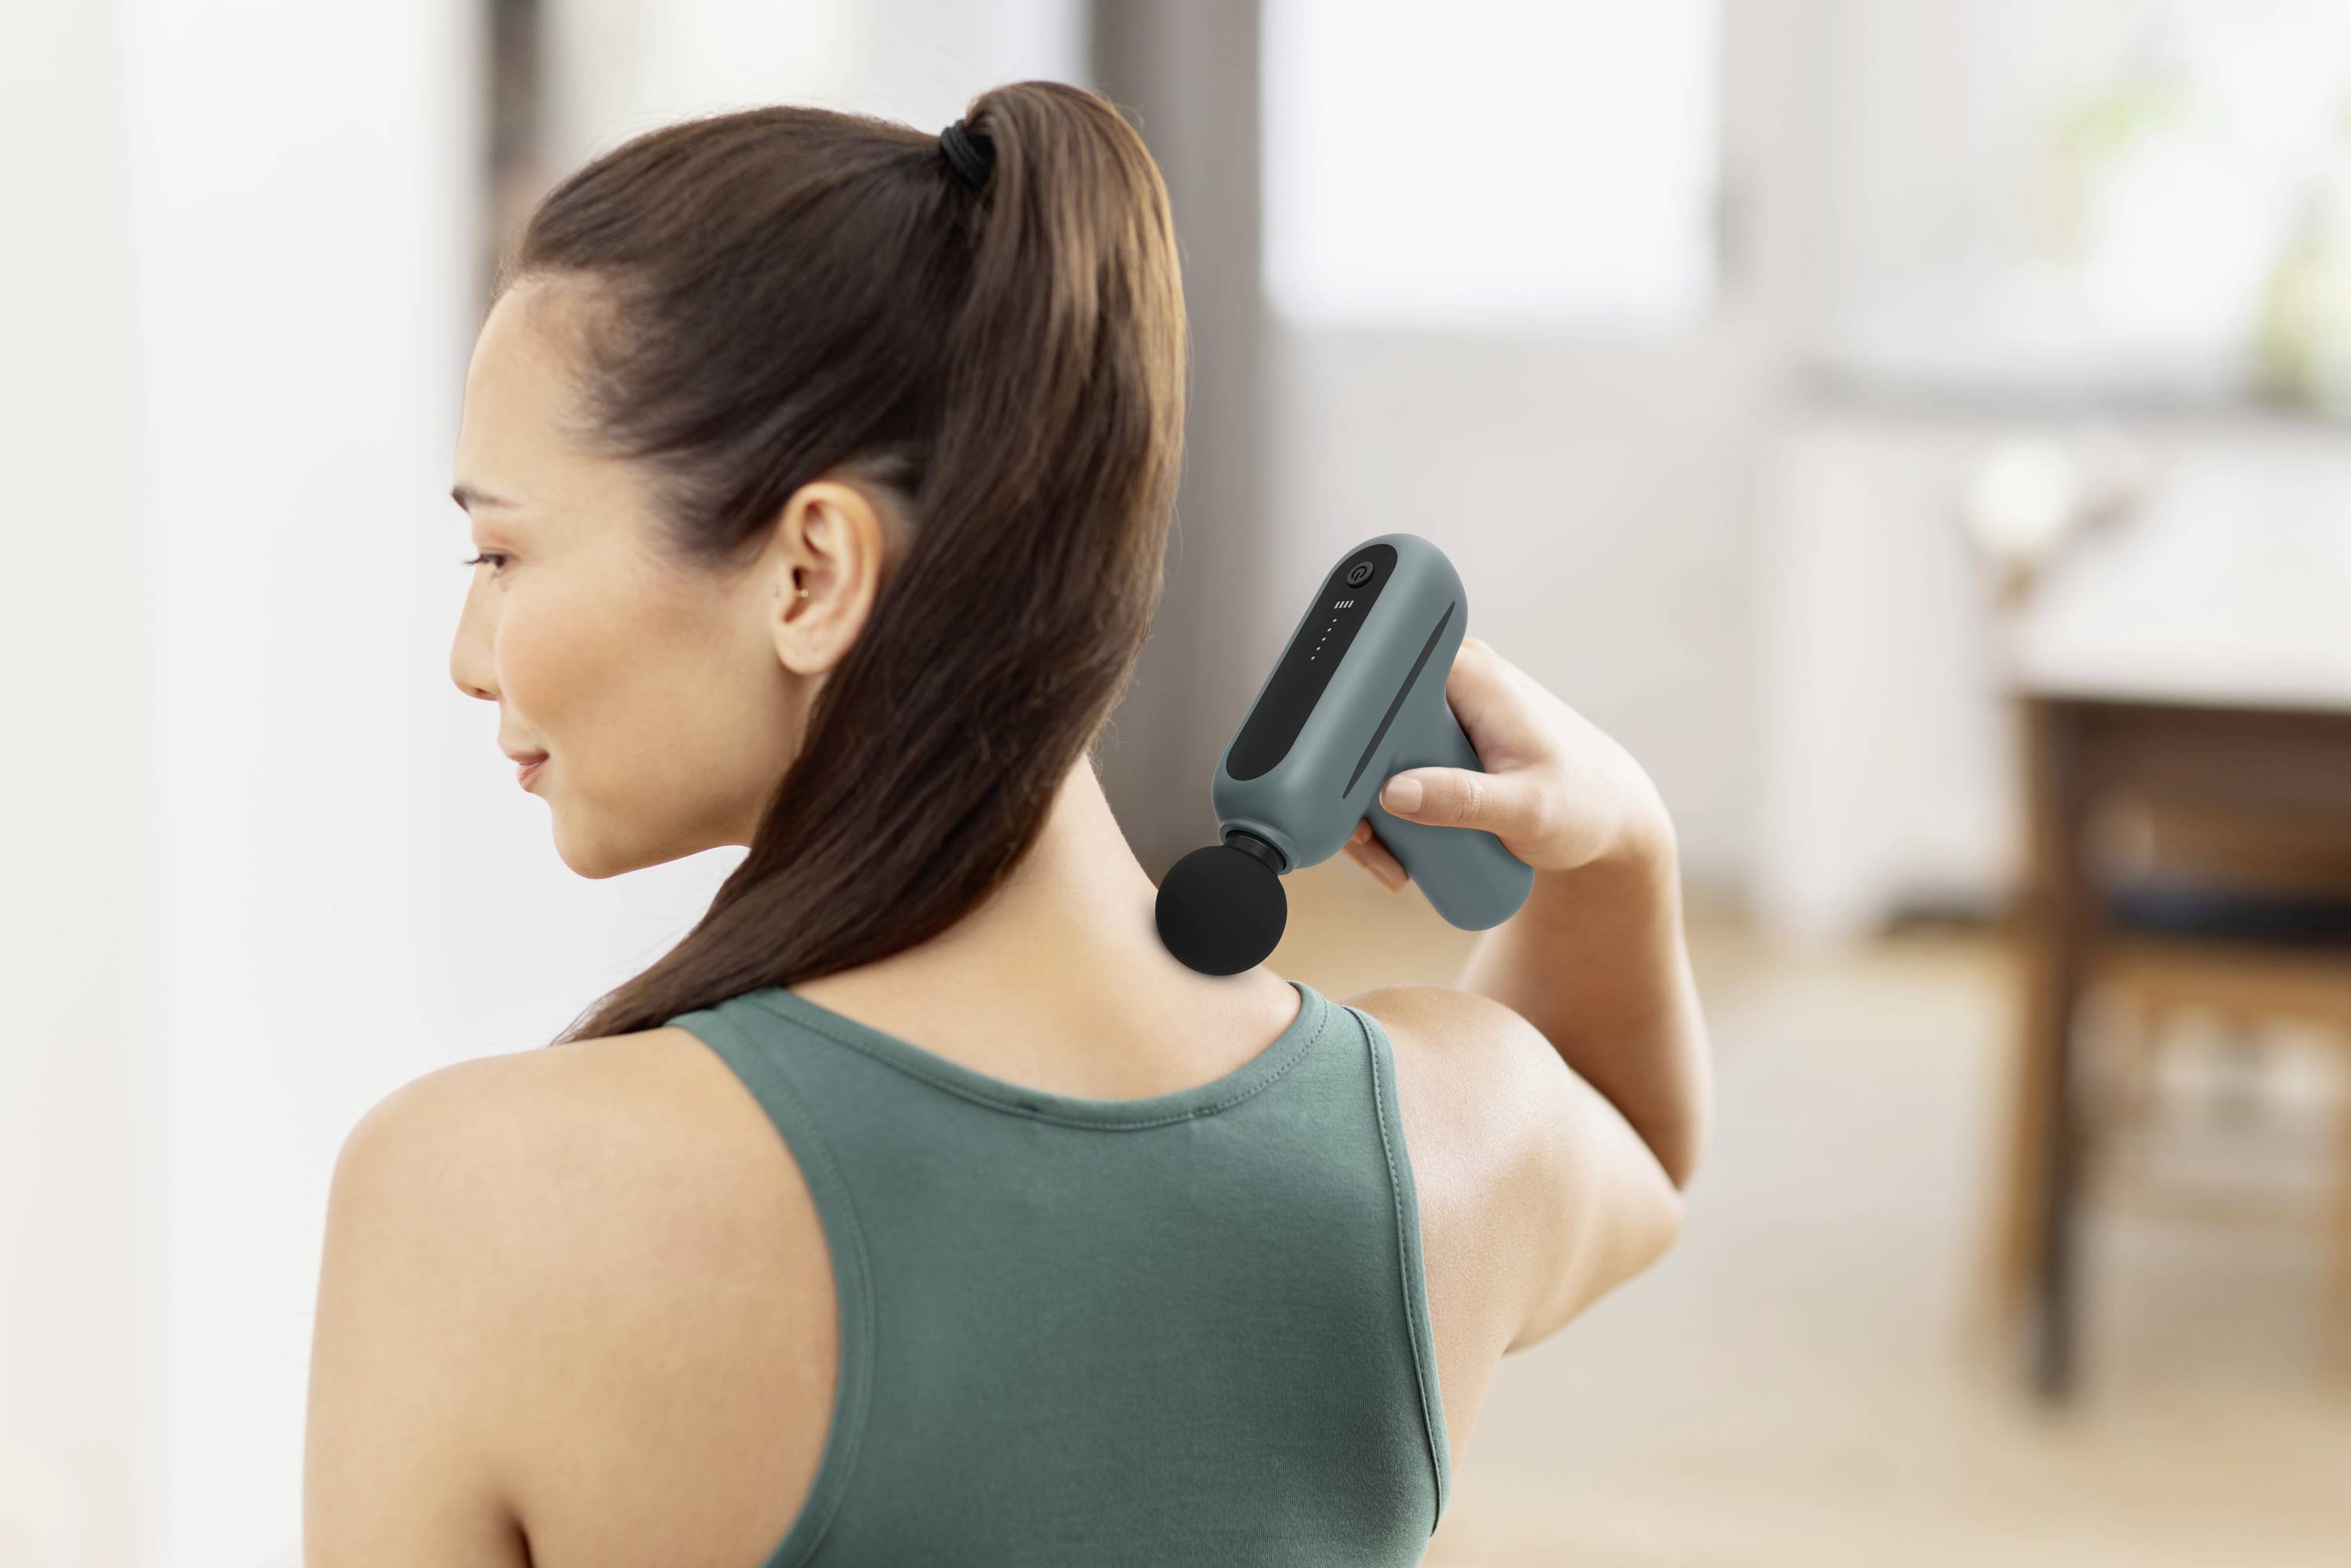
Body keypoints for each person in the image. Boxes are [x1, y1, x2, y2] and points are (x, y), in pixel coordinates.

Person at [302, 80, 1709, 1568]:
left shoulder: (475, 1205)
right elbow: (1642, 1151)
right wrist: (1623, 841)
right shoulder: (1441, 1141)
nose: (471, 650)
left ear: (809, 574)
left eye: (502, 549)